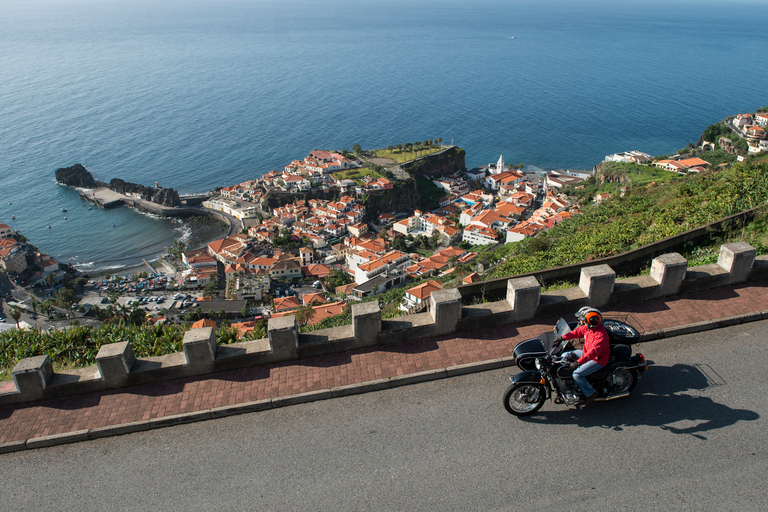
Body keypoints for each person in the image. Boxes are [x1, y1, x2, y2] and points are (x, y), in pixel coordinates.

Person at [556, 307, 611, 405]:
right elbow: (576, 332)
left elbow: (592, 354)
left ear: (591, 322)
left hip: (597, 360)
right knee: (564, 355)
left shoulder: (601, 336)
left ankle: (590, 393)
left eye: (585, 321)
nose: (582, 322)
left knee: (577, 374)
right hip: (585, 352)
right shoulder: (588, 328)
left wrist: (578, 363)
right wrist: (562, 338)